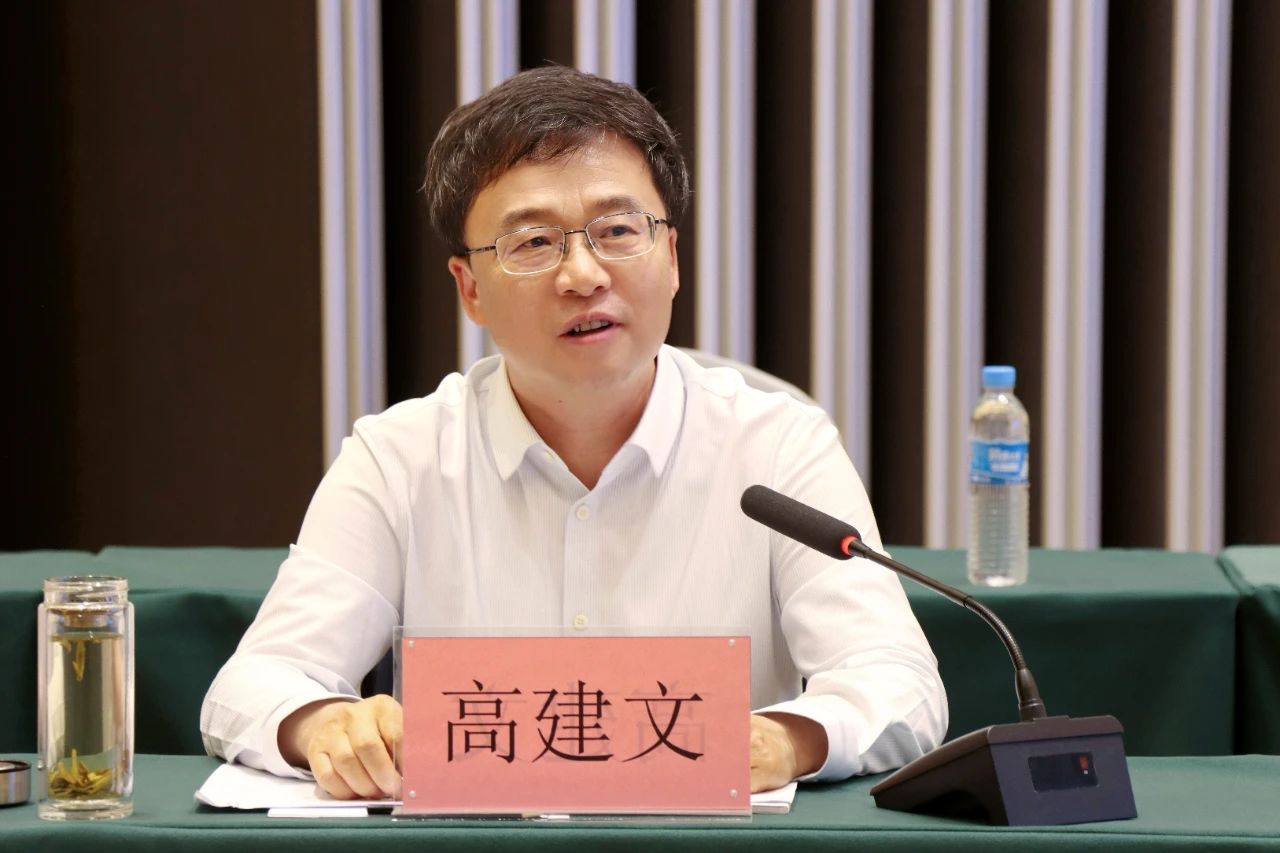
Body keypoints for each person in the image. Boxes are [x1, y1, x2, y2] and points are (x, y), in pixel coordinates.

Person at [201, 65, 946, 801]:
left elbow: (898, 683)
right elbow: (255, 681)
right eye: (532, 243)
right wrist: (323, 723)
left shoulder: (780, 446)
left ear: (672, 257)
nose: (583, 275)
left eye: (618, 230)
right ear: (470, 289)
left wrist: (788, 738)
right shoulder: (400, 456)